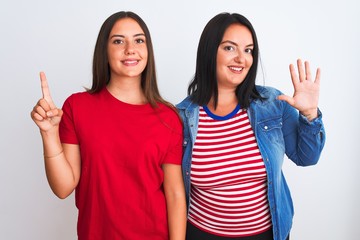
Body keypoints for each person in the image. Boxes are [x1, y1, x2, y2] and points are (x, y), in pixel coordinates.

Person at [31, 11, 186, 240]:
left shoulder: (168, 117)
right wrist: (49, 134)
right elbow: (63, 188)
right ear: (104, 51)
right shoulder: (77, 107)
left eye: (139, 40)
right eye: (118, 41)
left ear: (148, 50)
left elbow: (174, 195)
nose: (130, 49)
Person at [176, 12, 326, 240]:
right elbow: (172, 191)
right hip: (202, 233)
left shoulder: (273, 104)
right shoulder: (182, 117)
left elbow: (307, 157)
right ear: (209, 52)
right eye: (229, 48)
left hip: (268, 234)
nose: (241, 58)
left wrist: (309, 114)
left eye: (248, 50)